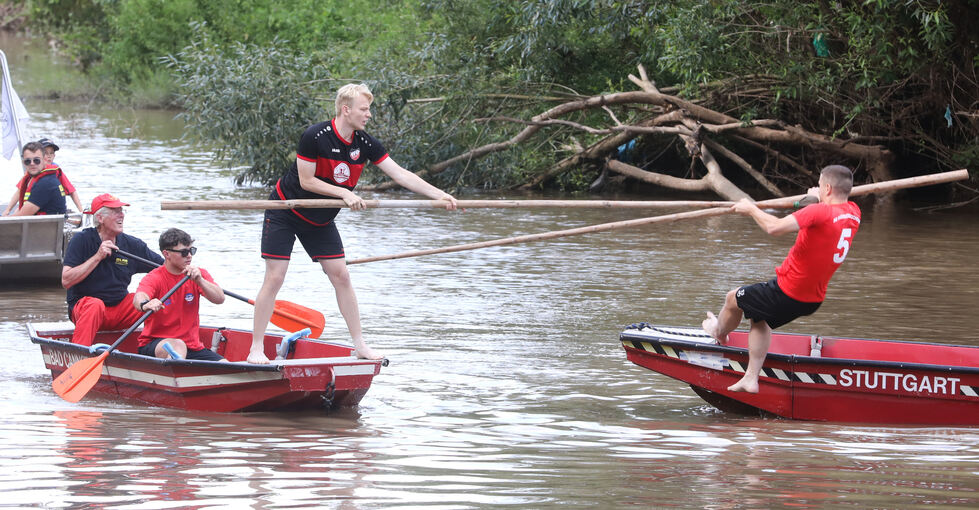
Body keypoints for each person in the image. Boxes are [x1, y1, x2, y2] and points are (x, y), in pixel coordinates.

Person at [248, 83, 458, 364]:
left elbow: (400, 174)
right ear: (346, 110)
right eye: (364, 109)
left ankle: (360, 345)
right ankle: (256, 348)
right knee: (275, 277)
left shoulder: (365, 143)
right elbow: (306, 181)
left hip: (320, 218)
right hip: (286, 209)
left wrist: (439, 195)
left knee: (342, 276)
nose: (369, 115)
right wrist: (344, 193)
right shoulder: (315, 136)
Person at [702, 165, 861, 393]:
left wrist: (751, 209)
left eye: (819, 185)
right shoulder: (854, 212)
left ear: (827, 188)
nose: (817, 188)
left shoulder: (818, 212)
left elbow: (774, 228)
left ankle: (719, 332)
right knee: (759, 317)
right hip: (812, 299)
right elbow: (826, 213)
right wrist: (815, 198)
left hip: (787, 290)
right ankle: (750, 378)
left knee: (733, 298)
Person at [62, 193, 164, 346]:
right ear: (100, 218)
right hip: (86, 311)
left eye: (122, 211)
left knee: (155, 300)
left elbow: (165, 268)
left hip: (119, 310)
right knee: (95, 305)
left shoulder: (132, 244)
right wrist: (98, 256)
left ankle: (156, 348)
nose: (121, 215)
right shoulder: (81, 240)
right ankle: (80, 354)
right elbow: (66, 281)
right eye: (115, 211)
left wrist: (186, 267)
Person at [133, 228, 226, 361]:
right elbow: (139, 297)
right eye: (184, 252)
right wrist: (146, 304)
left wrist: (200, 281)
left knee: (226, 364)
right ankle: (176, 367)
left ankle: (179, 365)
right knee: (178, 346)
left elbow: (220, 299)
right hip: (155, 344)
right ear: (166, 254)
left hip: (192, 347)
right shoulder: (154, 277)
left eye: (191, 251)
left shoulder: (198, 274)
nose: (189, 256)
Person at [4, 141, 67, 216]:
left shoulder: (45, 183)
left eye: (36, 160)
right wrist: (8, 211)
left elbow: (21, 217)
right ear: (23, 162)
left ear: (44, 160)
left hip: (45, 223)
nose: (32, 164)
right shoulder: (41, 178)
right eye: (28, 161)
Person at [39, 137, 84, 213]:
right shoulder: (33, 170)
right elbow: (20, 191)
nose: (49, 156)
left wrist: (81, 211)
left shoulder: (56, 171)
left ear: (54, 155)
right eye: (45, 153)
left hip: (54, 212)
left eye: (51, 153)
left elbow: (72, 191)